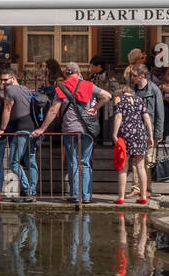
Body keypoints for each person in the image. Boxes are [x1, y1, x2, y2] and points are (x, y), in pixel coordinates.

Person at [35, 61, 113, 205]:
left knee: (74, 162)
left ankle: (76, 196)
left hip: (70, 130)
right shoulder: (89, 85)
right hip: (87, 130)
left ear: (66, 73)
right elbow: (107, 96)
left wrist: (42, 129)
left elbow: (53, 110)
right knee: (85, 162)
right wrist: (95, 108)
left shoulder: (62, 88)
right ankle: (87, 196)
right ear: (79, 73)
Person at [0, 69, 38, 201]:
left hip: (21, 129)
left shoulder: (10, 90)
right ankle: (32, 191)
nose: (3, 82)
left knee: (13, 162)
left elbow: (7, 109)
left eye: (5, 80)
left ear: (13, 78)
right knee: (30, 161)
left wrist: (2, 128)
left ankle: (27, 190)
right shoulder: (25, 89)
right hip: (31, 128)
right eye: (1, 80)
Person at [111, 84, 155, 206]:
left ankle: (121, 197)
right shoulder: (139, 99)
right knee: (141, 167)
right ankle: (143, 196)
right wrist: (150, 135)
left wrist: (114, 133)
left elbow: (119, 116)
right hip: (140, 133)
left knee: (123, 165)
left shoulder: (118, 98)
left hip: (126, 133)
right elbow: (146, 118)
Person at [129, 63, 164, 200]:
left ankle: (147, 188)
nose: (132, 78)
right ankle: (136, 188)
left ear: (142, 76)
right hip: (136, 130)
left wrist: (158, 134)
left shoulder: (154, 90)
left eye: (134, 75)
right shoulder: (133, 90)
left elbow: (160, 113)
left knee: (148, 160)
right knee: (135, 160)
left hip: (149, 130)